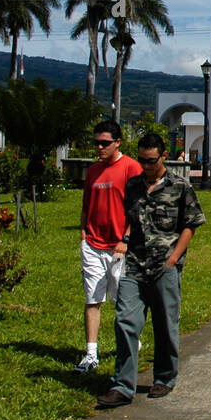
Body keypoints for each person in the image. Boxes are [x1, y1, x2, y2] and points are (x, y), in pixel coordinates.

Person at [98, 132, 205, 408]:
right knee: (125, 321)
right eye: (142, 160)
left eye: (151, 161)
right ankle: (122, 385)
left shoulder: (179, 186)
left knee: (165, 325)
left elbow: (190, 224)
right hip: (135, 265)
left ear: (163, 157)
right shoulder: (133, 186)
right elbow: (131, 218)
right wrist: (124, 239)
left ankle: (164, 377)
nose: (146, 166)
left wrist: (173, 260)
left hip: (164, 266)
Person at [75, 120, 142, 373]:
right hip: (93, 243)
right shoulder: (93, 171)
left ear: (118, 143)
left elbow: (137, 207)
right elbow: (86, 205)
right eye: (96, 143)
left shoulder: (131, 168)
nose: (100, 147)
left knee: (121, 300)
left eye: (105, 143)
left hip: (119, 246)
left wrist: (125, 238)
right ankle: (91, 353)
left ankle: (129, 343)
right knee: (92, 298)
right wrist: (83, 234)